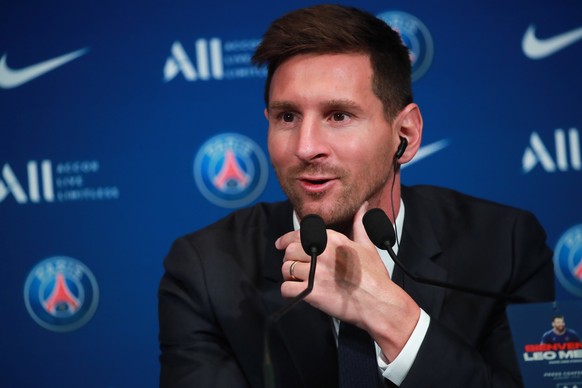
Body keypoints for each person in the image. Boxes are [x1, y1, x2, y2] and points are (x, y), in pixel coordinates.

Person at [158, 5, 554, 387]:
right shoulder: (206, 269)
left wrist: (394, 319)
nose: (305, 146)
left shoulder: (507, 246)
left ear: (406, 136)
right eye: (287, 117)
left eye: (338, 116)